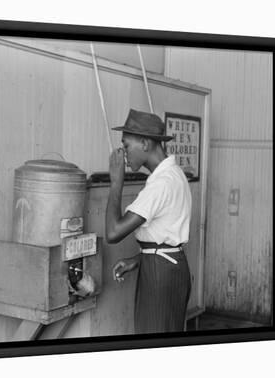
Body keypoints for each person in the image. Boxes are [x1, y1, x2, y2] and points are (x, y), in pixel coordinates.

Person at [105, 108, 192, 334]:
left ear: (145, 143)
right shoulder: (173, 174)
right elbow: (165, 236)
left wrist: (116, 182)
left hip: (161, 274)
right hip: (167, 265)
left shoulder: (162, 183)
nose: (124, 154)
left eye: (126, 146)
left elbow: (114, 232)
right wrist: (139, 258)